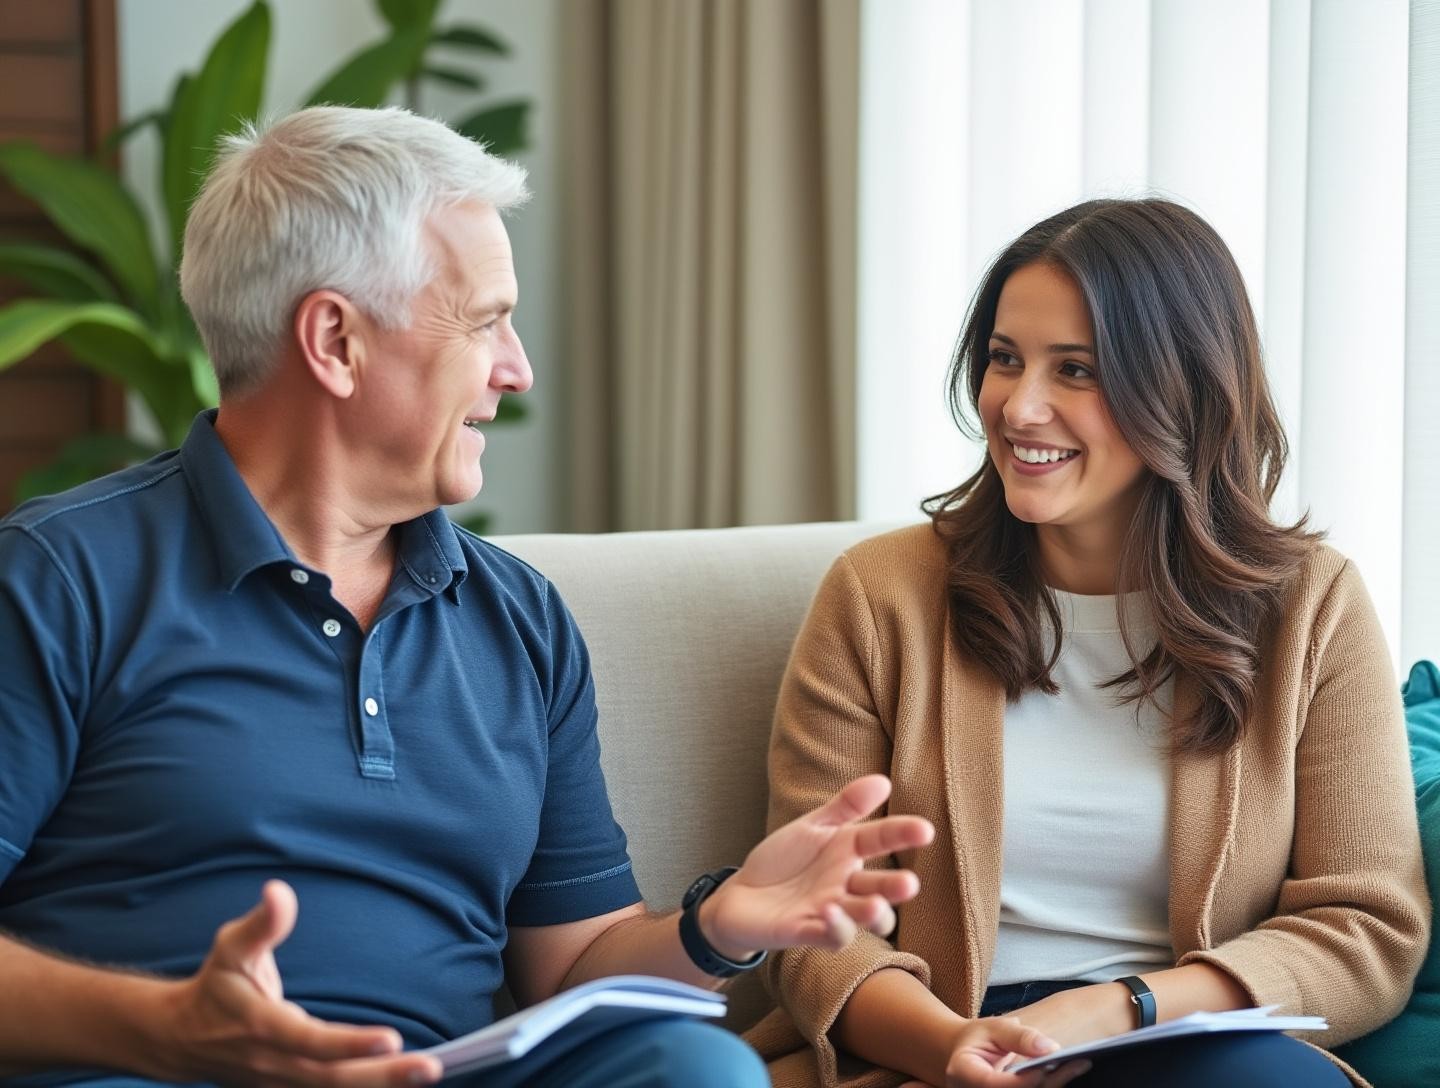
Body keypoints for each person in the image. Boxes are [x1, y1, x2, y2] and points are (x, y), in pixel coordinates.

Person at [0, 106, 939, 1088]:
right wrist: (164, 1025)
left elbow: (572, 966)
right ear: (335, 340)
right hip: (141, 1072)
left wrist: (719, 922)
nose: (516, 369)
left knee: (697, 1068)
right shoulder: (62, 578)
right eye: (486, 318)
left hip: (438, 1074)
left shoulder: (518, 618)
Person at [747, 198, 1430, 1088]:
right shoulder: (881, 597)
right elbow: (810, 925)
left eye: (1077, 370)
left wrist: (1123, 1009)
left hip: (1192, 1044)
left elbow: (1367, 926)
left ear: (1181, 386)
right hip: (933, 1050)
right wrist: (957, 1047)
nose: (1021, 407)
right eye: (1004, 360)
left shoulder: (1309, 605)